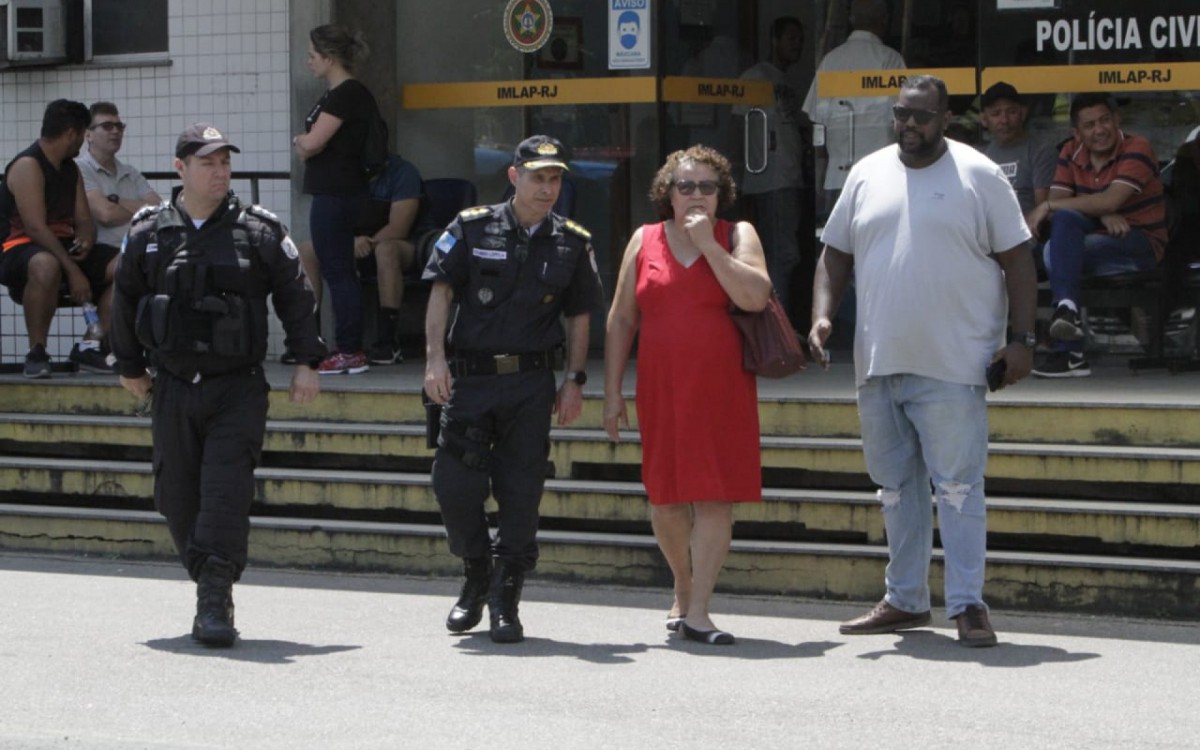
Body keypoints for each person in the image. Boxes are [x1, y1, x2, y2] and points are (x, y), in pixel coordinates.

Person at [808, 75, 1037, 648]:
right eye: (901, 116)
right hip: (878, 363)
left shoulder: (978, 174)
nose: (909, 126)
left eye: (921, 117)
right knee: (894, 489)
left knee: (958, 488)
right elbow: (834, 254)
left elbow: (1018, 260)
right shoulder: (866, 174)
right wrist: (823, 315)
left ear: (946, 119)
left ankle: (968, 605)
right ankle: (905, 598)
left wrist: (1023, 340)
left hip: (954, 364)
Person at [110, 123, 325, 647]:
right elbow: (124, 300)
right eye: (208, 163)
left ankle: (214, 597)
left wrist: (306, 361)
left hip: (237, 387)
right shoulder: (147, 231)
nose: (220, 172)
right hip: (174, 385)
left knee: (225, 491)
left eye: (225, 162)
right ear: (180, 169)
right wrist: (130, 366)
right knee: (176, 495)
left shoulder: (260, 229)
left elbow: (297, 297)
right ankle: (209, 574)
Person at [423, 135, 603, 644]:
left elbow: (580, 315)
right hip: (471, 380)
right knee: (453, 487)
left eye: (555, 179)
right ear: (514, 177)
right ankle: (476, 570)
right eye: (538, 177)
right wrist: (435, 360)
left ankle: (506, 596)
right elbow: (441, 290)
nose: (548, 189)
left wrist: (574, 379)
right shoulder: (471, 225)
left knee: (521, 496)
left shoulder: (572, 240)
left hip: (530, 385)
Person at [603, 145, 771, 646]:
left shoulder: (737, 235)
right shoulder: (645, 238)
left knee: (716, 497)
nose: (696, 194)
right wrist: (612, 393)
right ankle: (682, 583)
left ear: (722, 195)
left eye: (707, 186)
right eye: (686, 186)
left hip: (721, 386)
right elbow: (621, 318)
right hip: (662, 385)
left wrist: (711, 247)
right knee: (667, 498)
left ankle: (699, 610)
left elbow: (755, 295)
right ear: (667, 193)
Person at [1027, 93, 1167, 379]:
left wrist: (1098, 205)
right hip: (1090, 239)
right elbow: (1064, 204)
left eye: (1105, 120)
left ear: (1117, 120)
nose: (1099, 130)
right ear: (1076, 133)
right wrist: (1101, 211)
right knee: (1063, 230)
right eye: (1089, 125)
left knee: (1055, 252)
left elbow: (1073, 202)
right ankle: (1067, 310)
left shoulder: (1137, 146)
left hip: (1138, 241)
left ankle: (1071, 352)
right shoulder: (1070, 151)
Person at [0, 99, 114, 378]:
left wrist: (86, 239)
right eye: (83, 134)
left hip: (61, 247)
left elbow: (84, 219)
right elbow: (36, 228)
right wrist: (73, 270)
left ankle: (91, 345)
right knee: (46, 264)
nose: (82, 143)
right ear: (72, 134)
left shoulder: (71, 169)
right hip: (21, 247)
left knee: (128, 265)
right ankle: (37, 351)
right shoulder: (28, 165)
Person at [294, 24, 382, 375]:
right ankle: (347, 347)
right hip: (334, 191)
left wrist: (300, 142)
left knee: (338, 271)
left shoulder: (347, 93)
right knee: (337, 269)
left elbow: (313, 143)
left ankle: (348, 349)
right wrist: (305, 142)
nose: (309, 61)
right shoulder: (337, 94)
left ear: (329, 58)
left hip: (338, 192)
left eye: (313, 56)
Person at [295, 153, 423, 364]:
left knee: (386, 251)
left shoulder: (403, 172)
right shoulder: (342, 174)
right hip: (353, 244)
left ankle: (388, 342)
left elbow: (399, 227)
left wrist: (367, 242)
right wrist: (350, 243)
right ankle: (310, 340)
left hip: (401, 245)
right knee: (307, 251)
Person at [73, 101, 163, 372]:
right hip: (95, 249)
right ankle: (102, 344)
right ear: (88, 134)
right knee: (134, 265)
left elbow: (158, 210)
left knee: (132, 275)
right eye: (107, 126)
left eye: (119, 126)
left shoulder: (129, 172)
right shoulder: (81, 169)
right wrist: (135, 208)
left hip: (131, 249)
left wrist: (115, 200)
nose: (115, 132)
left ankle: (94, 346)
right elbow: (105, 215)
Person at [802, 0, 906, 212]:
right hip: (883, 177)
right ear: (884, 20)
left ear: (851, 20)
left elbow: (816, 123)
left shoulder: (830, 61)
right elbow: (904, 120)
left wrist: (822, 170)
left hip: (837, 177)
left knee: (838, 244)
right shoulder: (890, 59)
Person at [737, 16, 809, 315]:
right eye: (791, 38)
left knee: (784, 254)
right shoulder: (755, 77)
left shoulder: (785, 79)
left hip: (790, 177)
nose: (797, 45)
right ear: (774, 40)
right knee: (781, 255)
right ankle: (778, 331)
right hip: (770, 178)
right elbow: (737, 124)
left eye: (799, 39)